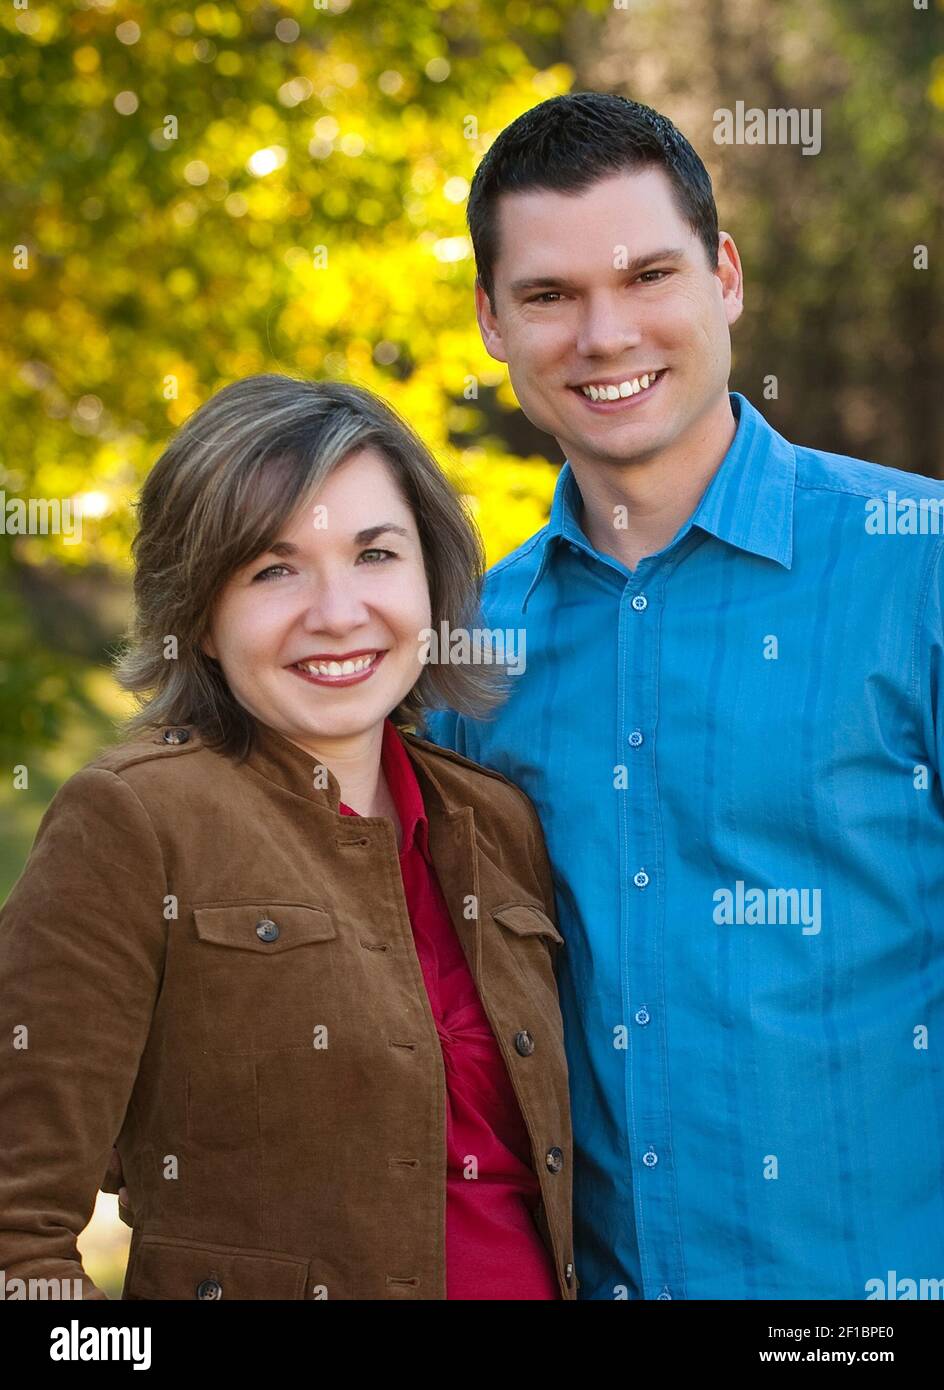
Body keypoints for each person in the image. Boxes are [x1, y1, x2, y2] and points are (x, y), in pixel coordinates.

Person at [422, 91, 944, 1300]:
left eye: (647, 274)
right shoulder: (463, 648)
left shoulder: (914, 565)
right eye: (549, 295)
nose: (604, 335)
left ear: (724, 277)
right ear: (491, 321)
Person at [0, 374, 576, 1301]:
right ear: (201, 617)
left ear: (431, 579)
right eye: (274, 570)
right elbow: (16, 1238)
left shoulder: (496, 821)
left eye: (375, 555)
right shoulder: (135, 821)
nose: (338, 613)